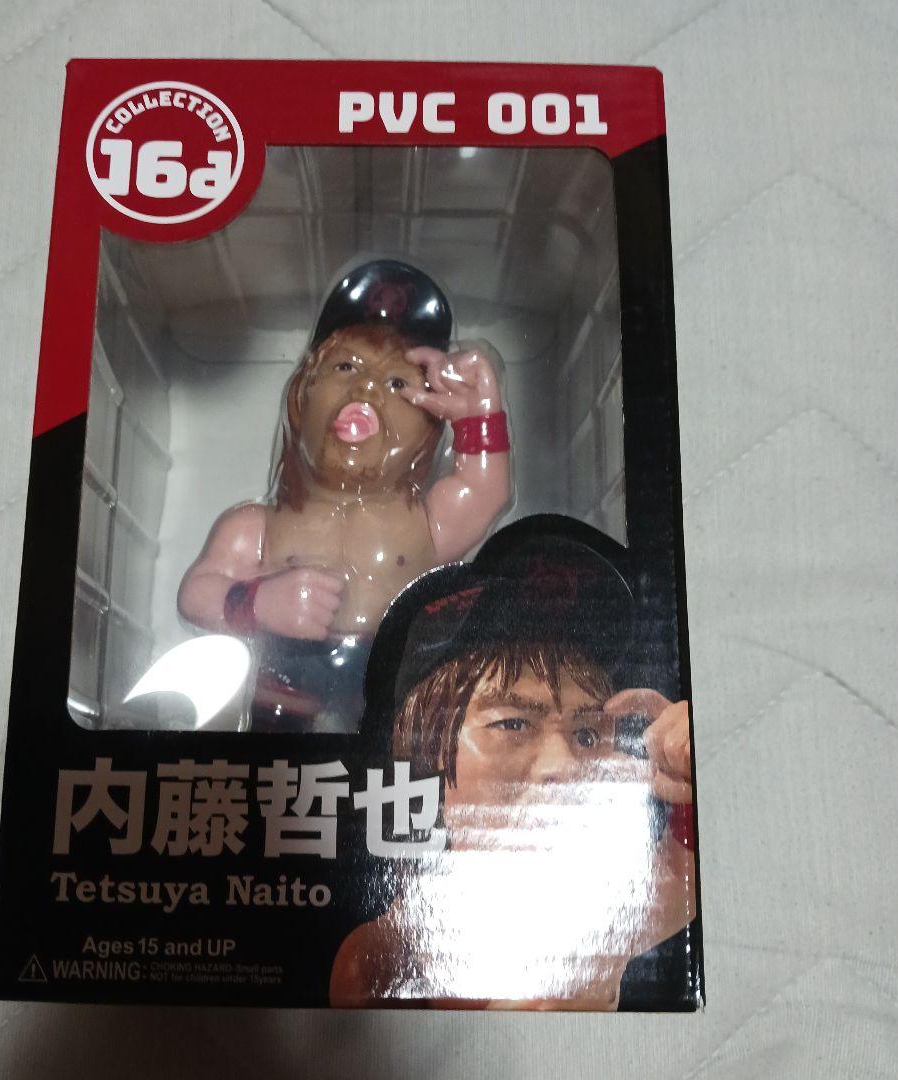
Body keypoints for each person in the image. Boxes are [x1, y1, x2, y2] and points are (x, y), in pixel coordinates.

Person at [329, 530, 697, 1009]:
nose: (564, 767)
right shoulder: (388, 958)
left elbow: (683, 876)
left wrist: (695, 770)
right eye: (513, 723)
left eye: (587, 735)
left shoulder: (605, 902)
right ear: (430, 749)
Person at [177, 259, 512, 732]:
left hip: (390, 672)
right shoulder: (257, 527)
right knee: (274, 753)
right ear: (302, 397)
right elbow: (197, 595)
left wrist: (479, 414)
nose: (367, 386)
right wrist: (259, 603)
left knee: (398, 747)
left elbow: (485, 491)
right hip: (287, 674)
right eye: (345, 366)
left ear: (429, 427)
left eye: (398, 383)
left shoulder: (425, 522)